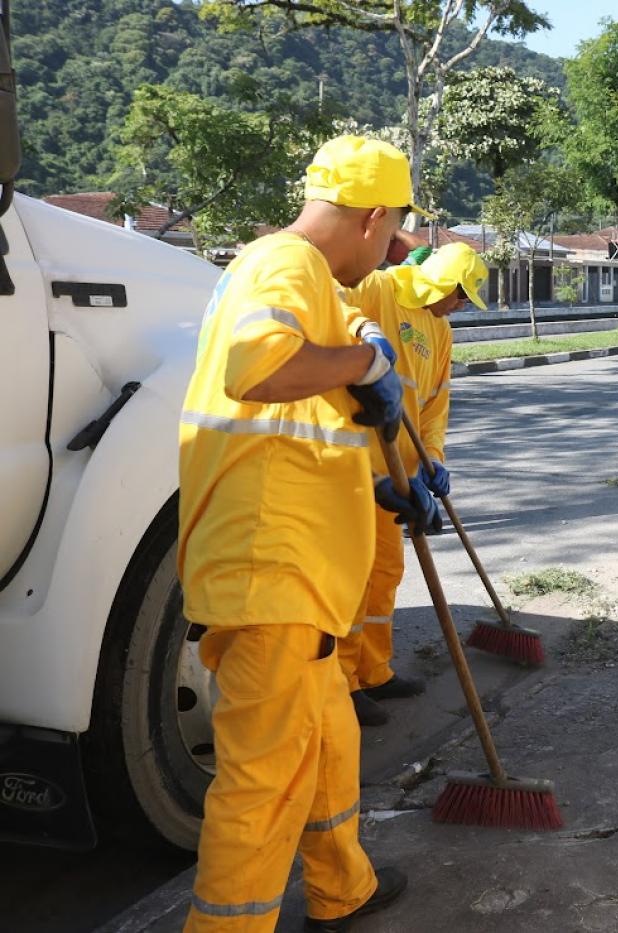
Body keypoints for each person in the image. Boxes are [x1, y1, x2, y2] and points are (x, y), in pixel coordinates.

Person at [177, 135, 439, 931]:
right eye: (391, 228)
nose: (391, 247)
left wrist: (395, 484)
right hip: (272, 574)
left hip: (300, 581)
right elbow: (259, 369)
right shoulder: (284, 264)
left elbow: (301, 424)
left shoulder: (300, 279)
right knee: (260, 786)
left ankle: (342, 887)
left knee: (327, 750)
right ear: (370, 215)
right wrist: (363, 368)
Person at [338, 242, 489, 727]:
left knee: (385, 572)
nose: (461, 307)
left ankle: (374, 669)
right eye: (461, 296)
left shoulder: (440, 330)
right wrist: (364, 337)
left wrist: (435, 458)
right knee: (352, 577)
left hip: (402, 473)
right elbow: (330, 307)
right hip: (356, 463)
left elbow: (436, 402)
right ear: (444, 282)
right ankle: (342, 684)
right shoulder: (380, 288)